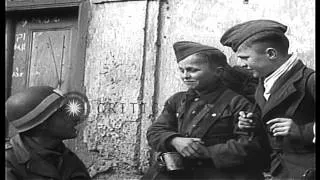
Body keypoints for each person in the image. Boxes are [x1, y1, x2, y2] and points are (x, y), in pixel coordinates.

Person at [142, 41, 270, 180]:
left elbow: (250, 146)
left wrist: (207, 152)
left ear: (218, 72)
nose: (185, 75)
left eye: (193, 70)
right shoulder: (178, 100)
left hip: (219, 173)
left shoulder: (238, 103)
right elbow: (155, 131)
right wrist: (174, 140)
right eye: (182, 70)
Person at [220, 19, 315, 179]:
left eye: (245, 58)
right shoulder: (264, 81)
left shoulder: (310, 80)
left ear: (271, 54)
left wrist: (303, 131)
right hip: (280, 170)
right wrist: (254, 124)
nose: (242, 64)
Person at [5, 86, 91, 180]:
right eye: (64, 114)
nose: (76, 118)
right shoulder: (9, 161)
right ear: (43, 124)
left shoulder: (68, 160)